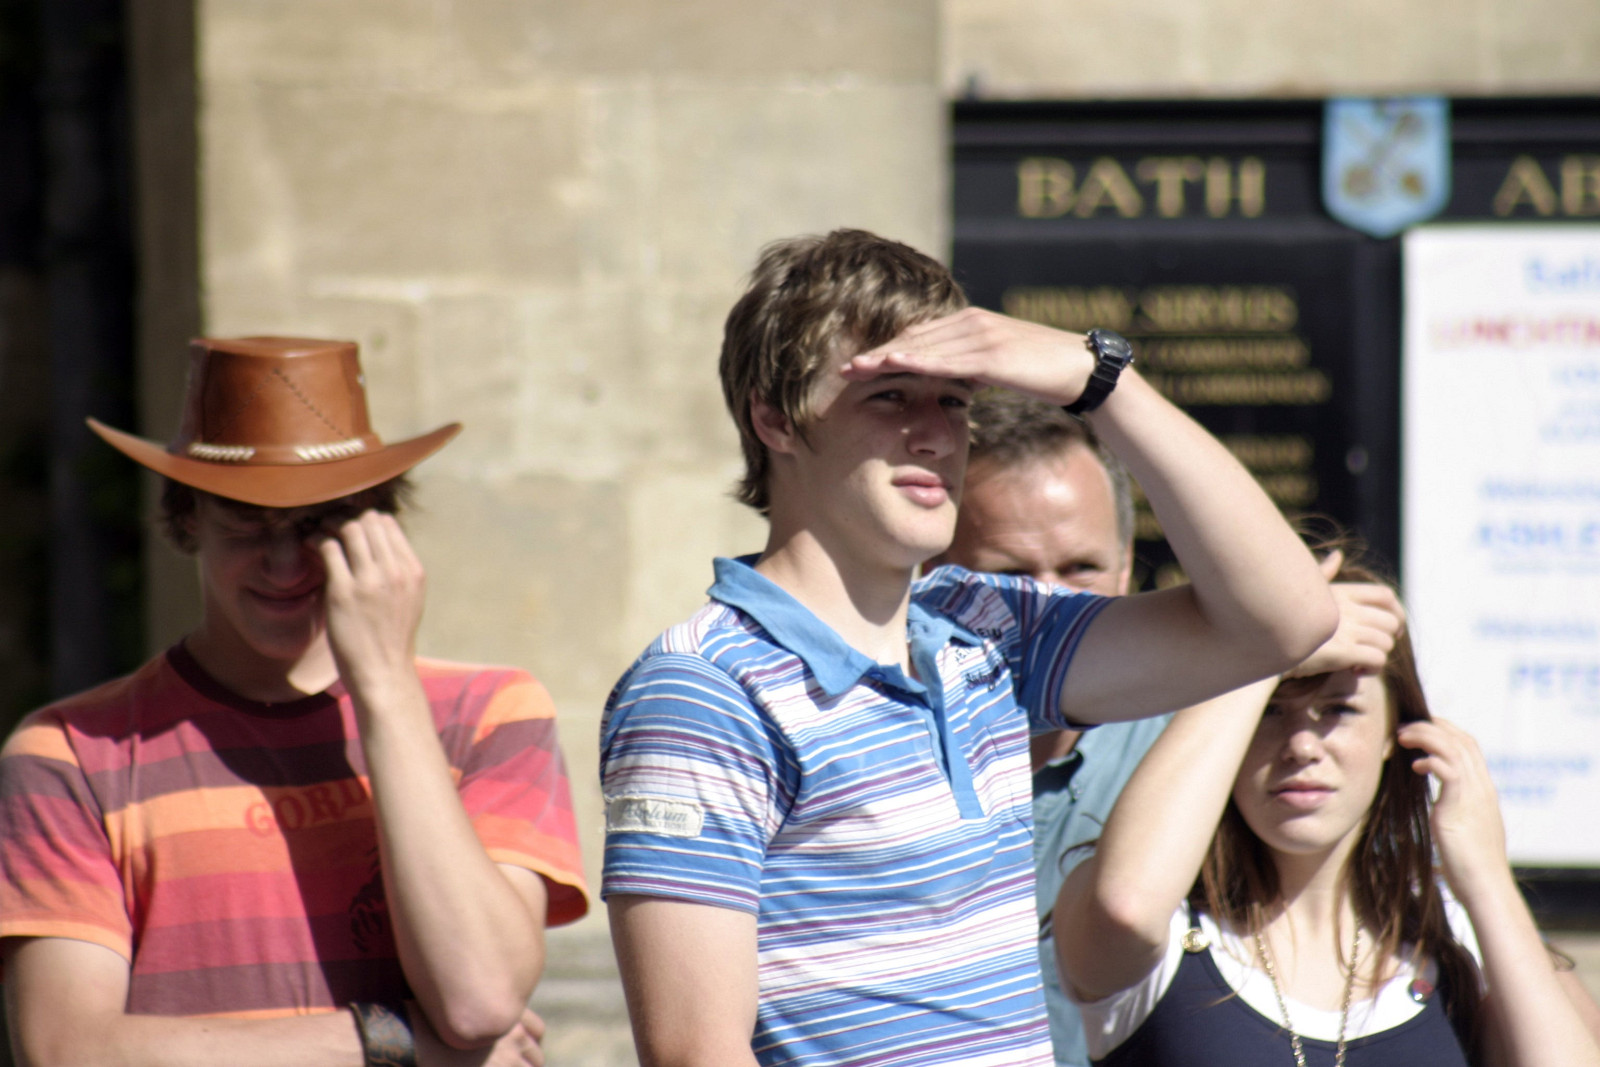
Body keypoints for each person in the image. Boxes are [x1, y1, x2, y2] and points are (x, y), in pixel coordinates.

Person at [600, 228, 1337, 1067]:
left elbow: (1285, 620)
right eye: (891, 396)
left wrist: (1100, 381)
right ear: (774, 418)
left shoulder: (982, 627)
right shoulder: (703, 689)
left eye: (954, 399)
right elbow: (696, 1053)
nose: (936, 434)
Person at [0, 337, 589, 1067]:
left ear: (378, 521)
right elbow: (68, 1050)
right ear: (188, 517)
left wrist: (383, 684)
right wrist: (395, 1043)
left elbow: (478, 1000)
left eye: (318, 523)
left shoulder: (490, 712)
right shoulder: (70, 751)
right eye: (246, 521)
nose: (284, 565)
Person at [1053, 540, 1600, 1066]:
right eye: (1270, 709)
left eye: (1339, 709)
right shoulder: (1167, 926)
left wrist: (1486, 877)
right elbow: (1124, 908)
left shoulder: (1454, 929)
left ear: (1396, 732)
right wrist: (1260, 653)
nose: (1302, 747)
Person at [928, 390, 1168, 1067]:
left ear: (1126, 565)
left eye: (1081, 568)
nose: (1052, 603)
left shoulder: (1197, 758)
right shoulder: (869, 756)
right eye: (1010, 575)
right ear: (931, 578)